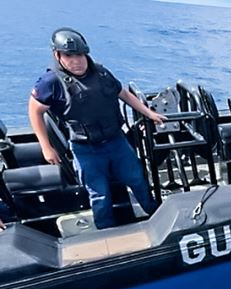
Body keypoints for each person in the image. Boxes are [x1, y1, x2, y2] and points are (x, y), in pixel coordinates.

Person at [28, 28, 165, 230]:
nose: (76, 61)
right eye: (69, 56)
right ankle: (106, 231)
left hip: (116, 141)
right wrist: (46, 146)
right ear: (57, 55)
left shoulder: (100, 72)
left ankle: (156, 215)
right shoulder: (50, 82)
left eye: (80, 55)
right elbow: (34, 110)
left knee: (136, 179)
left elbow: (123, 93)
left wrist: (148, 113)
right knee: (99, 193)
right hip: (85, 149)